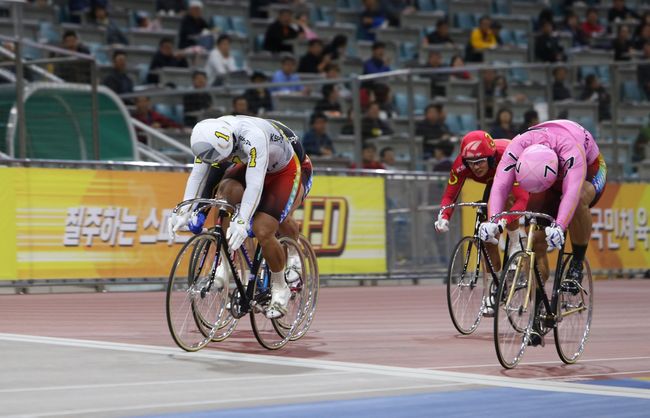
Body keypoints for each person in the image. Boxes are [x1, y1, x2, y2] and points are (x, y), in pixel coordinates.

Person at [170, 115, 313, 319]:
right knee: (225, 192)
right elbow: (198, 176)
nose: (221, 162)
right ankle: (226, 265)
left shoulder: (252, 136)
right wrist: (184, 210)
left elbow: (255, 185)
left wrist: (243, 219)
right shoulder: (208, 136)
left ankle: (280, 286)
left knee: (263, 228)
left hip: (283, 171)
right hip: (251, 165)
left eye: (223, 158)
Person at [480, 119, 607, 342]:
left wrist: (559, 226)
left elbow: (569, 194)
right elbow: (500, 186)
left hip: (589, 171)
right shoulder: (516, 147)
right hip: (542, 174)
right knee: (535, 240)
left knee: (577, 200)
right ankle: (539, 307)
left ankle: (576, 263)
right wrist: (492, 221)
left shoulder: (571, 151)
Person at [435, 130, 529, 277]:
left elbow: (521, 200)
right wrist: (444, 215)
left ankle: (516, 241)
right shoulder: (460, 165)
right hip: (492, 181)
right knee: (487, 237)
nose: (475, 167)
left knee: (508, 199)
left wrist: (503, 222)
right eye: (471, 164)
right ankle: (496, 281)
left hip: (512, 171)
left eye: (479, 162)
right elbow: (450, 195)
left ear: (491, 158)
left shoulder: (508, 156)